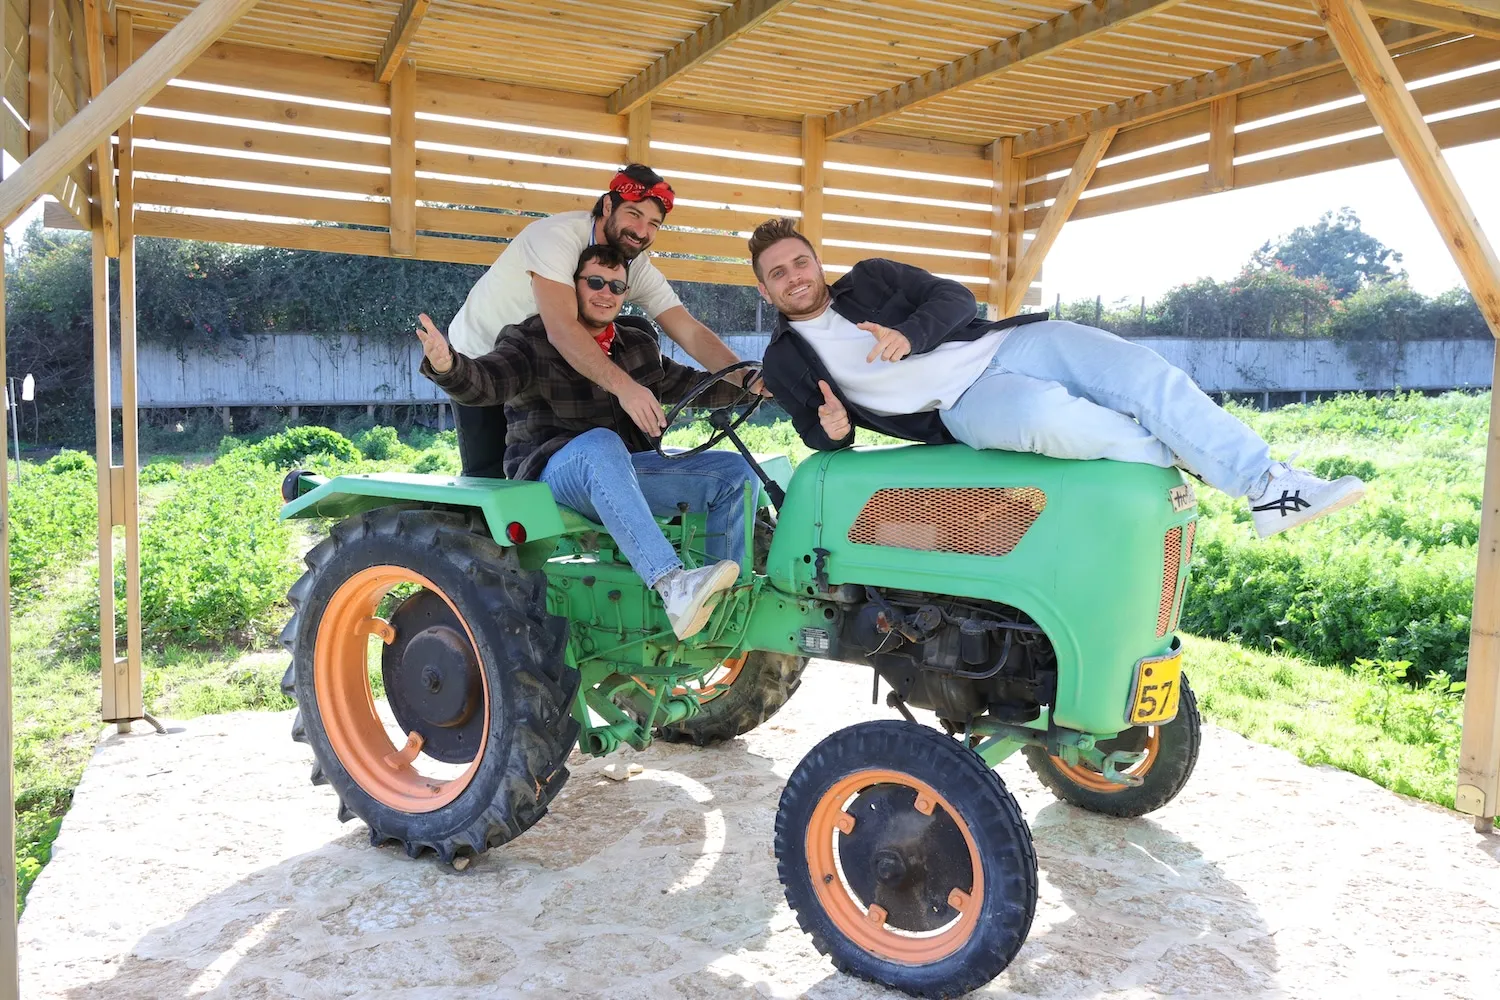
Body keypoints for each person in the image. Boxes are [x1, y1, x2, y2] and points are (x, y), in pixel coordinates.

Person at [745, 217, 1364, 538]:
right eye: (778, 272)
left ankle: (1270, 486)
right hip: (961, 404)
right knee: (1052, 420)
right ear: (764, 286)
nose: (795, 274)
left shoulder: (873, 278)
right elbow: (820, 437)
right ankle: (1197, 459)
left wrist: (911, 336)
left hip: (1008, 343)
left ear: (816, 260)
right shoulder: (785, 360)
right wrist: (830, 428)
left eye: (801, 260)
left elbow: (957, 298)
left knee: (1137, 370)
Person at [417, 244, 758, 640]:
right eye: (594, 282)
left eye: (616, 286)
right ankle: (672, 584)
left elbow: (691, 386)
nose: (605, 293)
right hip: (554, 474)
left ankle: (719, 603)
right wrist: (448, 367)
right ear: (571, 286)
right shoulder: (530, 339)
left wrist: (753, 384)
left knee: (734, 473)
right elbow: (486, 382)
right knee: (600, 443)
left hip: (621, 474)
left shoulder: (637, 345)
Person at [443, 163, 757, 477]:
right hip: (484, 360)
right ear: (608, 205)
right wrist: (627, 388)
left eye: (654, 224)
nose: (642, 231)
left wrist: (745, 376)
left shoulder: (636, 265)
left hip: (548, 369)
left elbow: (687, 330)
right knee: (490, 482)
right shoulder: (555, 238)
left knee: (589, 462)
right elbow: (563, 330)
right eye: (634, 215)